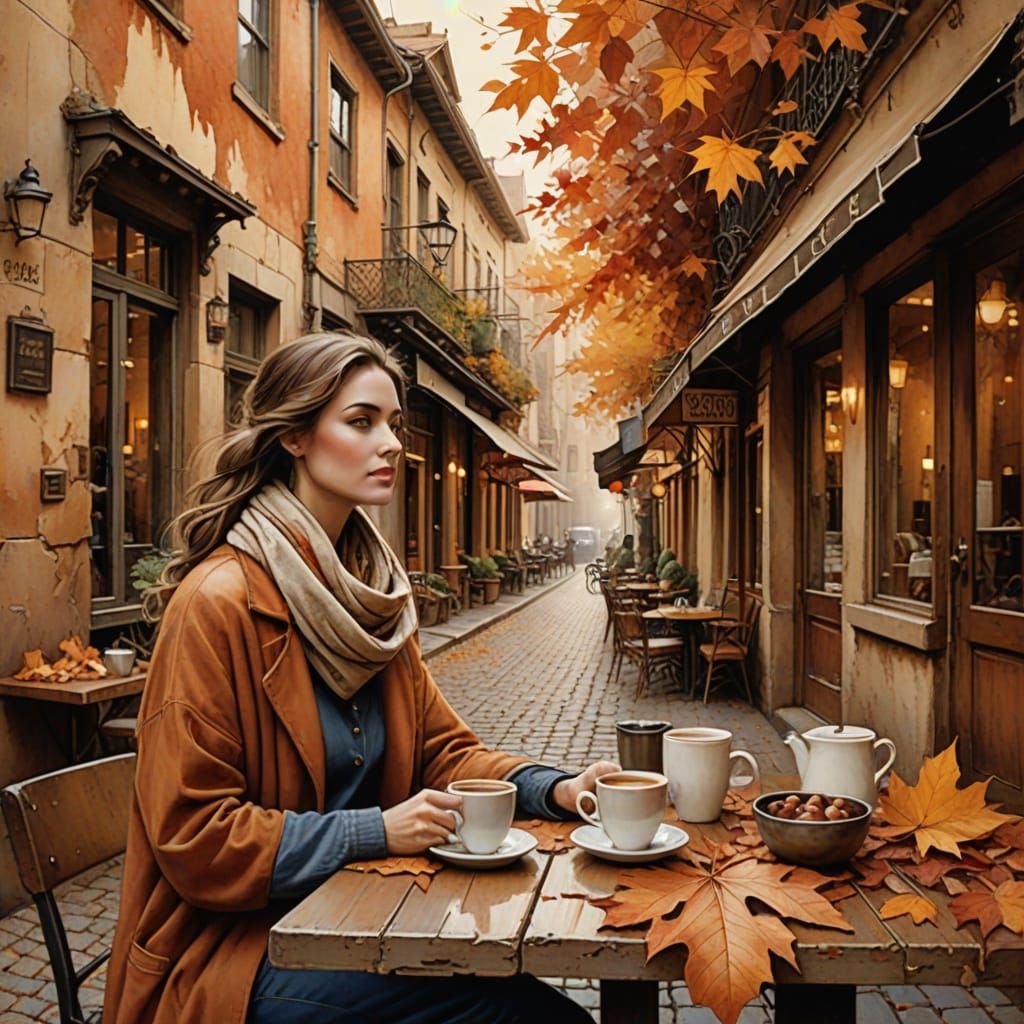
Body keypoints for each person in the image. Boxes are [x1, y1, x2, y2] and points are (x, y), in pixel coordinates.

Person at [103, 332, 615, 1024]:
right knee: (526, 1016)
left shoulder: (371, 598)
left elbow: (445, 752)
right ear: (294, 436)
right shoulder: (217, 602)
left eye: (395, 425)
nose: (391, 444)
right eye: (361, 421)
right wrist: (374, 831)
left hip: (355, 916)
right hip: (231, 956)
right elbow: (198, 834)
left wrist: (554, 787)